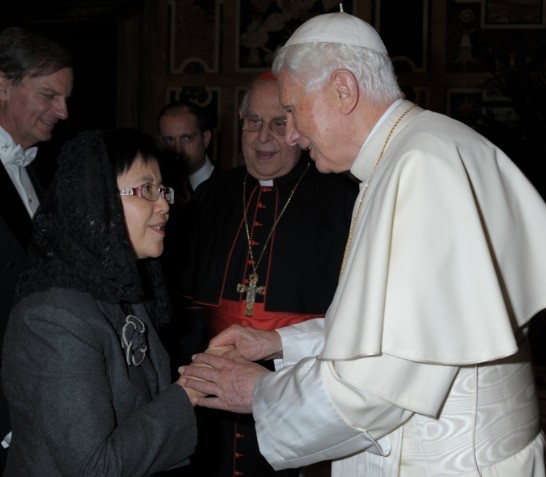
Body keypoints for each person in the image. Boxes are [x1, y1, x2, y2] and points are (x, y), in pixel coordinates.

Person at [180, 10, 546, 477]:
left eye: (291, 110)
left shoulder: (422, 169)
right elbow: (390, 330)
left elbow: (378, 384)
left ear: (342, 89)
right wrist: (278, 342)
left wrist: (259, 392)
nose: (290, 133)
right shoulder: (418, 150)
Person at [181, 72, 358, 476]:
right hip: (211, 387)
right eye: (253, 122)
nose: (263, 137)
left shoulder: (341, 198)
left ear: (301, 128)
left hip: (298, 385)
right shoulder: (214, 193)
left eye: (279, 123)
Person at [1, 128, 197, 476]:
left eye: (162, 189)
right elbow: (95, 468)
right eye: (146, 190)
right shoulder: (52, 316)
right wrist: (188, 394)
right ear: (97, 199)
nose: (165, 204)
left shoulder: (117, 291)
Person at [0, 26, 73, 468]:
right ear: (3, 84)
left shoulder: (39, 171)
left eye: (65, 98)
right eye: (49, 95)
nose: (62, 111)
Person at [157, 99, 217, 370]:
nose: (177, 150)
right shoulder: (154, 193)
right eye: (169, 140)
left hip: (218, 327)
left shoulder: (234, 190)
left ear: (205, 138)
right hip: (170, 326)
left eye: (186, 138)